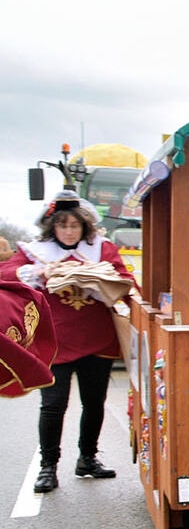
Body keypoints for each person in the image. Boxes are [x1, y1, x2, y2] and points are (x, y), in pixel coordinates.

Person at [0, 191, 136, 492]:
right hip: (54, 341)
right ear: (53, 227)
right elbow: (6, 274)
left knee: (94, 403)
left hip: (97, 339)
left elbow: (127, 281)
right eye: (63, 225)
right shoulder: (34, 252)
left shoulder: (101, 249)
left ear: (84, 226)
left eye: (75, 225)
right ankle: (48, 467)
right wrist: (39, 271)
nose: (69, 231)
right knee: (52, 405)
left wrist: (101, 279)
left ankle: (88, 458)